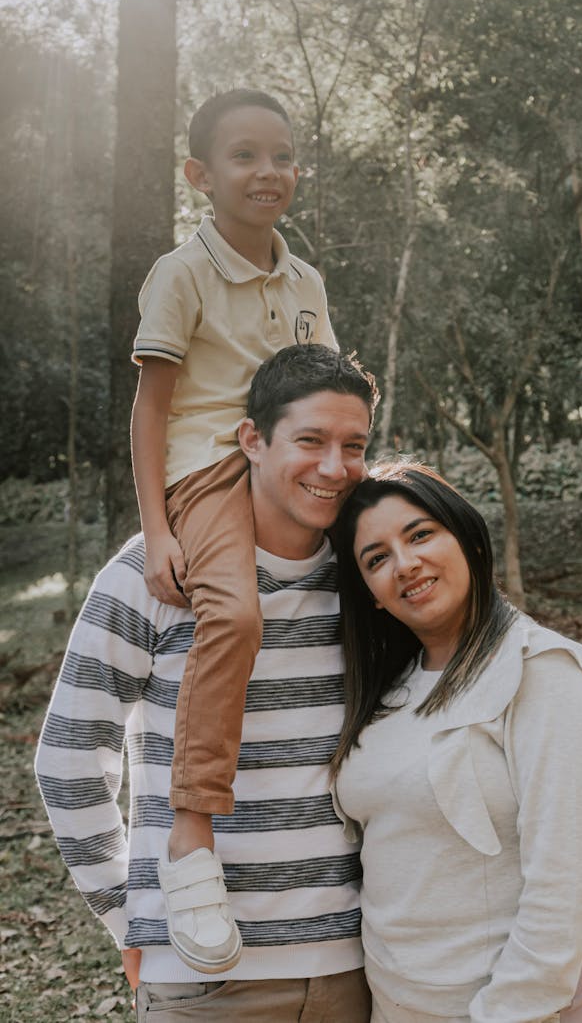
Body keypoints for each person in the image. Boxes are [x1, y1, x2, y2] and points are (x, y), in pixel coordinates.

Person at [36, 345, 378, 1022]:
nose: (334, 467)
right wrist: (128, 917)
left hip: (355, 966)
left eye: (355, 445)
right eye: (310, 440)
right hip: (204, 979)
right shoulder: (155, 573)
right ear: (252, 439)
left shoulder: (368, 577)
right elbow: (70, 761)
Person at [130, 89, 337, 971]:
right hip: (211, 472)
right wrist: (158, 530)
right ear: (200, 176)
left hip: (290, 457)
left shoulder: (306, 280)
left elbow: (325, 379)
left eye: (282, 156)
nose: (268, 172)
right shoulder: (182, 273)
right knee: (239, 617)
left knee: (417, 525)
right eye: (246, 156)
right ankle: (189, 836)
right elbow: (150, 410)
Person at [330, 461, 582, 1023]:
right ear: (369, 591)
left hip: (518, 1002)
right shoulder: (389, 689)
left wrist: (509, 1009)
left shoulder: (540, 671)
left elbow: (567, 881)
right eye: (377, 558)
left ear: (465, 535)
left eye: (420, 534)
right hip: (400, 997)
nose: (405, 563)